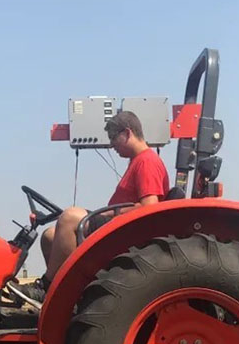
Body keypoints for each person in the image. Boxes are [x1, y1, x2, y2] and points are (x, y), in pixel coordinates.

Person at [14, 110, 169, 305]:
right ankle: (57, 293)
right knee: (50, 236)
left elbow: (149, 207)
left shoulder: (147, 161)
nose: (112, 144)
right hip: (117, 225)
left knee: (70, 216)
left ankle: (48, 288)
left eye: (114, 137)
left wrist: (109, 212)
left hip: (124, 233)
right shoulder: (136, 162)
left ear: (128, 133)